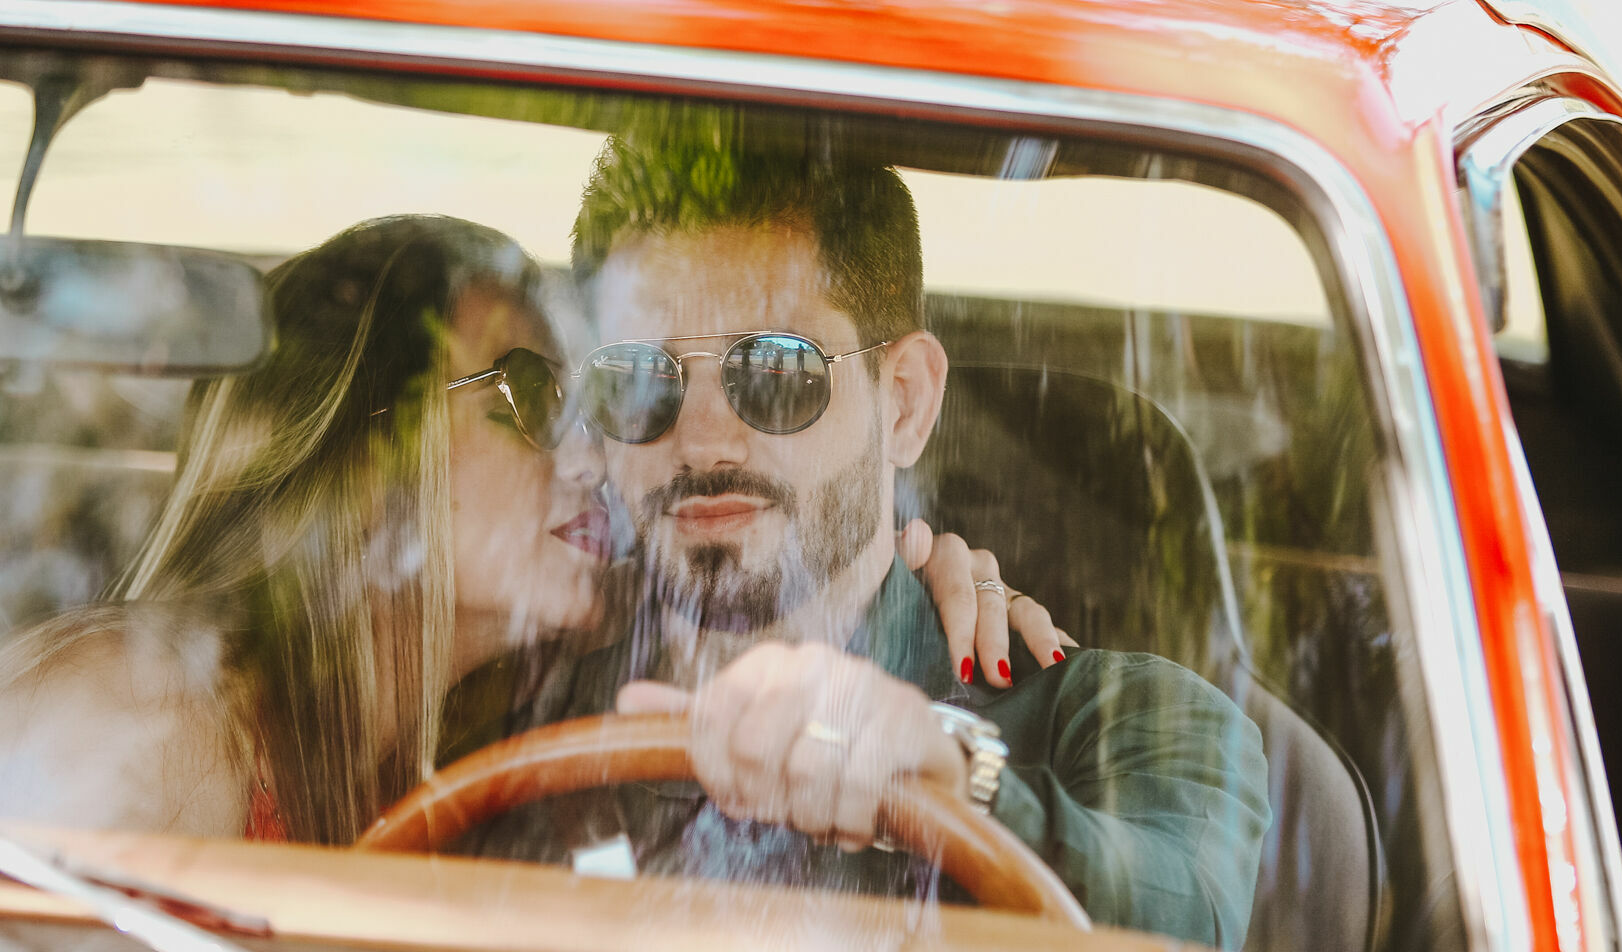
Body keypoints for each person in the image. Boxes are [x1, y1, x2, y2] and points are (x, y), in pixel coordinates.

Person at [0, 215, 1063, 845]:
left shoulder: (507, 724)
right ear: (367, 454)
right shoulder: (133, 718)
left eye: (596, 406)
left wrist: (910, 598)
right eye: (533, 396)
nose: (596, 455)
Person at [489, 117, 1272, 950]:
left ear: (904, 404)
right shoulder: (527, 708)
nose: (705, 442)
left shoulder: (1121, 720)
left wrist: (960, 787)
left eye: (776, 370)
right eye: (641, 377)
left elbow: (1180, 926)